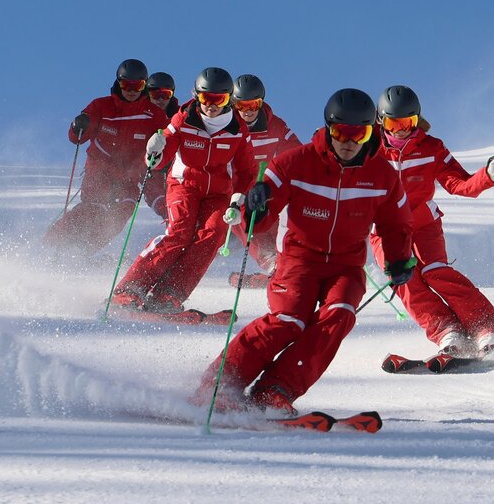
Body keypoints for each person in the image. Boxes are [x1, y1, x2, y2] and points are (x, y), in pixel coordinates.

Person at [192, 88, 414, 416]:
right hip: (300, 259)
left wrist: (397, 259)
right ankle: (220, 384)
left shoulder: (381, 176)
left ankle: (275, 391)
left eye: (359, 133)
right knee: (288, 319)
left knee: (339, 315)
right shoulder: (298, 161)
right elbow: (267, 202)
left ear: (371, 133)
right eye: (341, 131)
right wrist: (257, 205)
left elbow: (396, 223)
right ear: (328, 128)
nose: (348, 141)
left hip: (346, 265)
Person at [368, 84, 494, 359]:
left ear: (417, 120)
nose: (400, 131)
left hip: (423, 224)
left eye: (407, 123)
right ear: (380, 121)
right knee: (403, 279)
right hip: (384, 231)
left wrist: (488, 175)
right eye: (393, 123)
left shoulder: (431, 148)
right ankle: (448, 330)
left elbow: (459, 183)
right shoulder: (368, 149)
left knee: (435, 271)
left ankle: (487, 329)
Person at [111, 67, 257, 313]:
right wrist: (153, 154)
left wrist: (237, 201)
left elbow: (247, 171)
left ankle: (169, 294)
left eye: (218, 99)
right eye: (205, 98)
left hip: (219, 192)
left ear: (229, 99)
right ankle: (130, 288)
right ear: (197, 97)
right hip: (184, 183)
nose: (210, 105)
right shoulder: (183, 119)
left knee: (214, 234)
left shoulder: (237, 129)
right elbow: (162, 154)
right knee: (179, 231)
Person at [44, 59, 168, 257]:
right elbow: (77, 138)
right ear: (118, 83)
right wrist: (79, 126)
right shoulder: (102, 106)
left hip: (130, 176)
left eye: (138, 85)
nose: (131, 90)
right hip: (100, 170)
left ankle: (84, 251)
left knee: (121, 212)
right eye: (126, 84)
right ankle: (53, 243)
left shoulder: (154, 115)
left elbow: (166, 144)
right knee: (94, 208)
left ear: (144, 85)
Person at [228, 74, 301, 279]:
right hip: (236, 190)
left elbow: (296, 153)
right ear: (234, 104)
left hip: (265, 187)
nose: (247, 111)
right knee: (243, 218)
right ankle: (271, 262)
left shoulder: (274, 125)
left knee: (282, 216)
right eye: (242, 106)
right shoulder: (226, 125)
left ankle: (291, 260)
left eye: (253, 105)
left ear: (261, 102)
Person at [142, 71, 180, 220]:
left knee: (178, 206)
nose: (160, 99)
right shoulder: (142, 114)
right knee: (163, 205)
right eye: (155, 94)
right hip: (150, 172)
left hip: (174, 171)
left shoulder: (179, 116)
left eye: (166, 94)